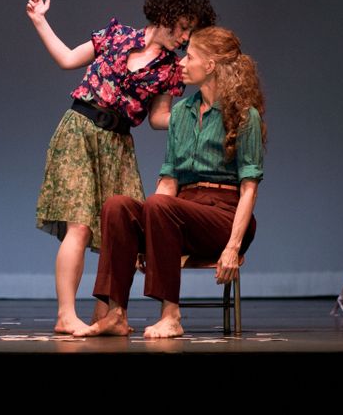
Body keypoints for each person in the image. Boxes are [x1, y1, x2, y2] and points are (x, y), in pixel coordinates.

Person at [25, 0, 217, 334]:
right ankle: (66, 314)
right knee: (79, 225)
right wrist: (40, 20)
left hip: (117, 144)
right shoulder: (115, 36)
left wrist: (199, 110)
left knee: (117, 230)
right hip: (79, 130)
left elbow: (159, 118)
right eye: (184, 26)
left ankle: (108, 315)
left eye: (191, 30)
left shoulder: (170, 69)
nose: (185, 37)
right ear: (166, 15)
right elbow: (68, 59)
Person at [76, 26, 265, 338]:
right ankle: (116, 314)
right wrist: (150, 224)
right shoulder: (182, 114)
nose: (180, 63)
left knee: (162, 206)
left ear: (210, 65)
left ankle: (170, 315)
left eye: (189, 57)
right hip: (180, 211)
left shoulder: (243, 116)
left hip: (224, 217)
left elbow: (249, 188)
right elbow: (168, 181)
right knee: (118, 207)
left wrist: (232, 247)